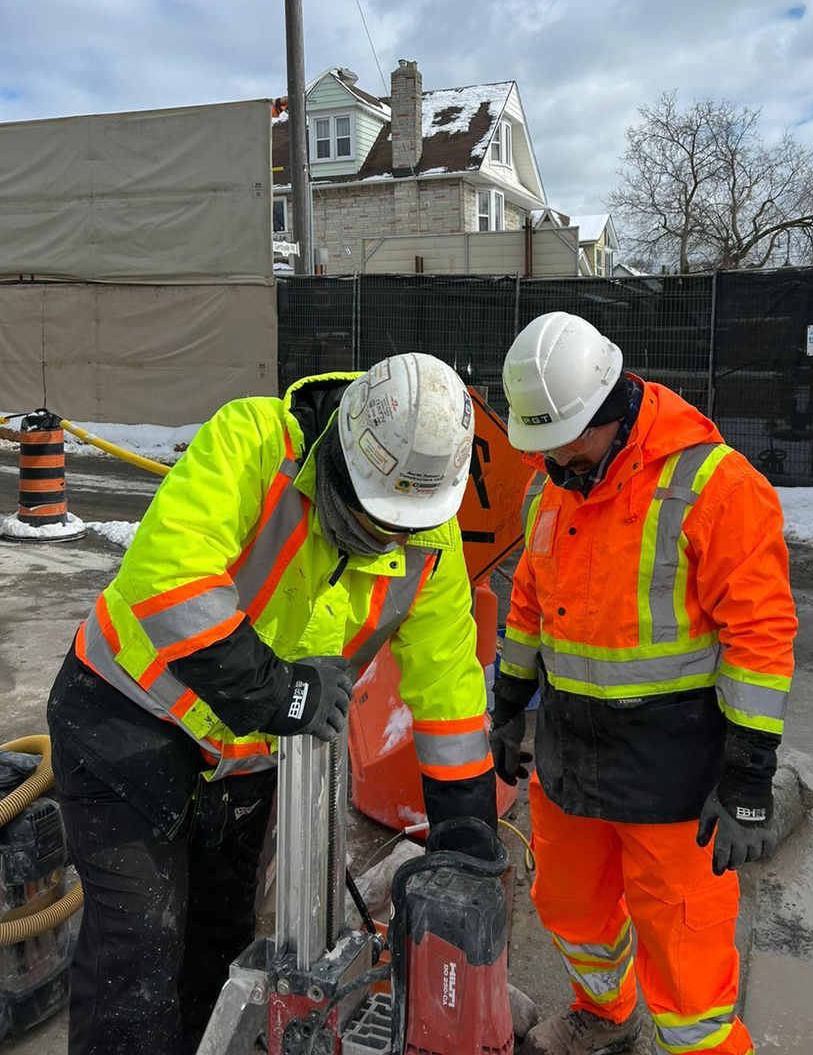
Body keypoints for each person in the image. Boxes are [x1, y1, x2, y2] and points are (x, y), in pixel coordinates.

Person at [46, 354, 496, 1055]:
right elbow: (167, 578)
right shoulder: (253, 442)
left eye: (399, 527)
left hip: (243, 764)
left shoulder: (428, 545)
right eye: (372, 519)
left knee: (219, 951)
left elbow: (449, 689)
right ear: (342, 457)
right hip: (124, 724)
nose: (385, 540)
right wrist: (278, 691)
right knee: (136, 956)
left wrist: (466, 826)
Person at [491, 312, 797, 1055]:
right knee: (569, 907)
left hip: (675, 771)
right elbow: (528, 608)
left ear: (609, 407)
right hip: (569, 757)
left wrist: (749, 777)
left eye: (565, 441)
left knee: (688, 961)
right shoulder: (552, 487)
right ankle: (604, 1013)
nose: (553, 459)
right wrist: (507, 706)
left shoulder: (714, 484)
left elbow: (759, 634)